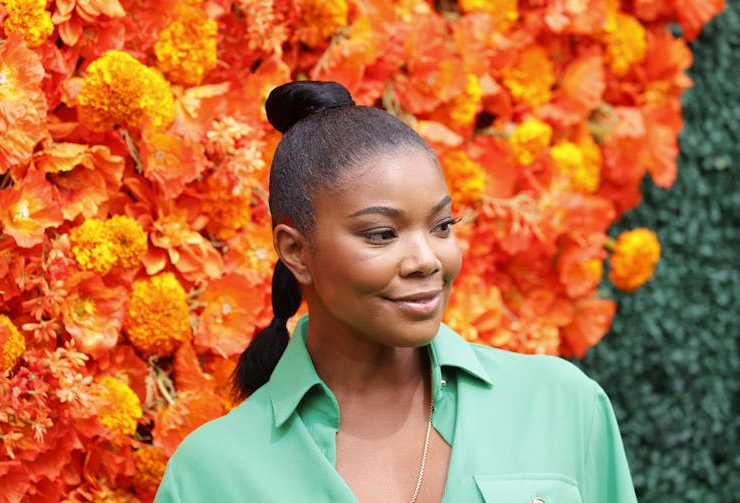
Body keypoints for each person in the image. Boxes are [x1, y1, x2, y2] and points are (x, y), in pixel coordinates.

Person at [154, 81, 638, 503]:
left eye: (443, 226)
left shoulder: (561, 405)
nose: (427, 259)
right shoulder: (211, 474)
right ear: (296, 252)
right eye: (382, 234)